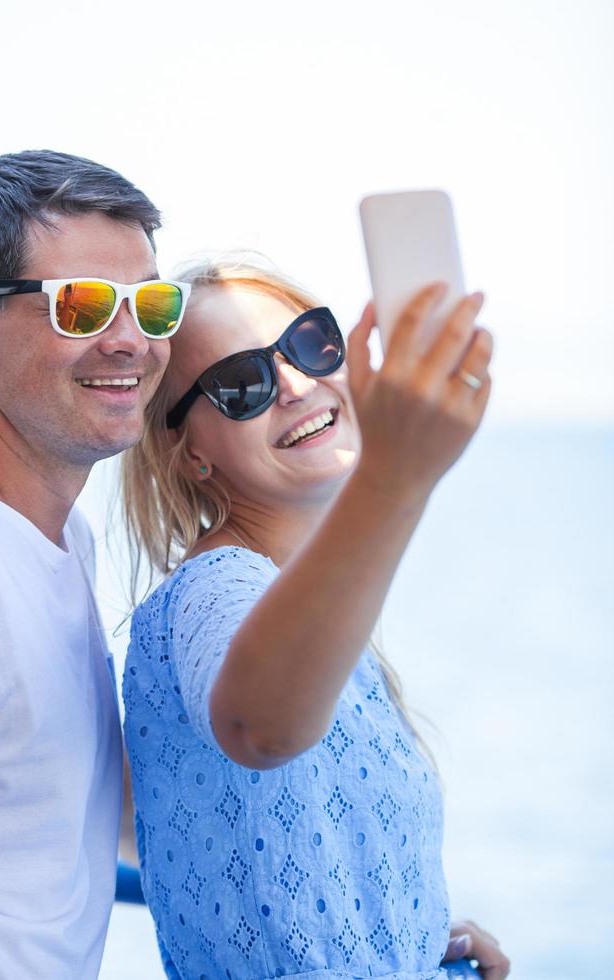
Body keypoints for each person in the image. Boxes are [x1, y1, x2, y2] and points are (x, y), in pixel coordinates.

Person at [122, 255, 511, 979]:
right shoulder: (219, 584)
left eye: (309, 343)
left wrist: (409, 931)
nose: (298, 386)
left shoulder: (296, 603)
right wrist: (396, 476)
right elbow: (259, 727)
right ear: (190, 455)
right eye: (243, 385)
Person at [0, 150, 190, 979]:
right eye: (83, 305)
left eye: (151, 303)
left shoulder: (61, 536)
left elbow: (61, 807)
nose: (131, 340)